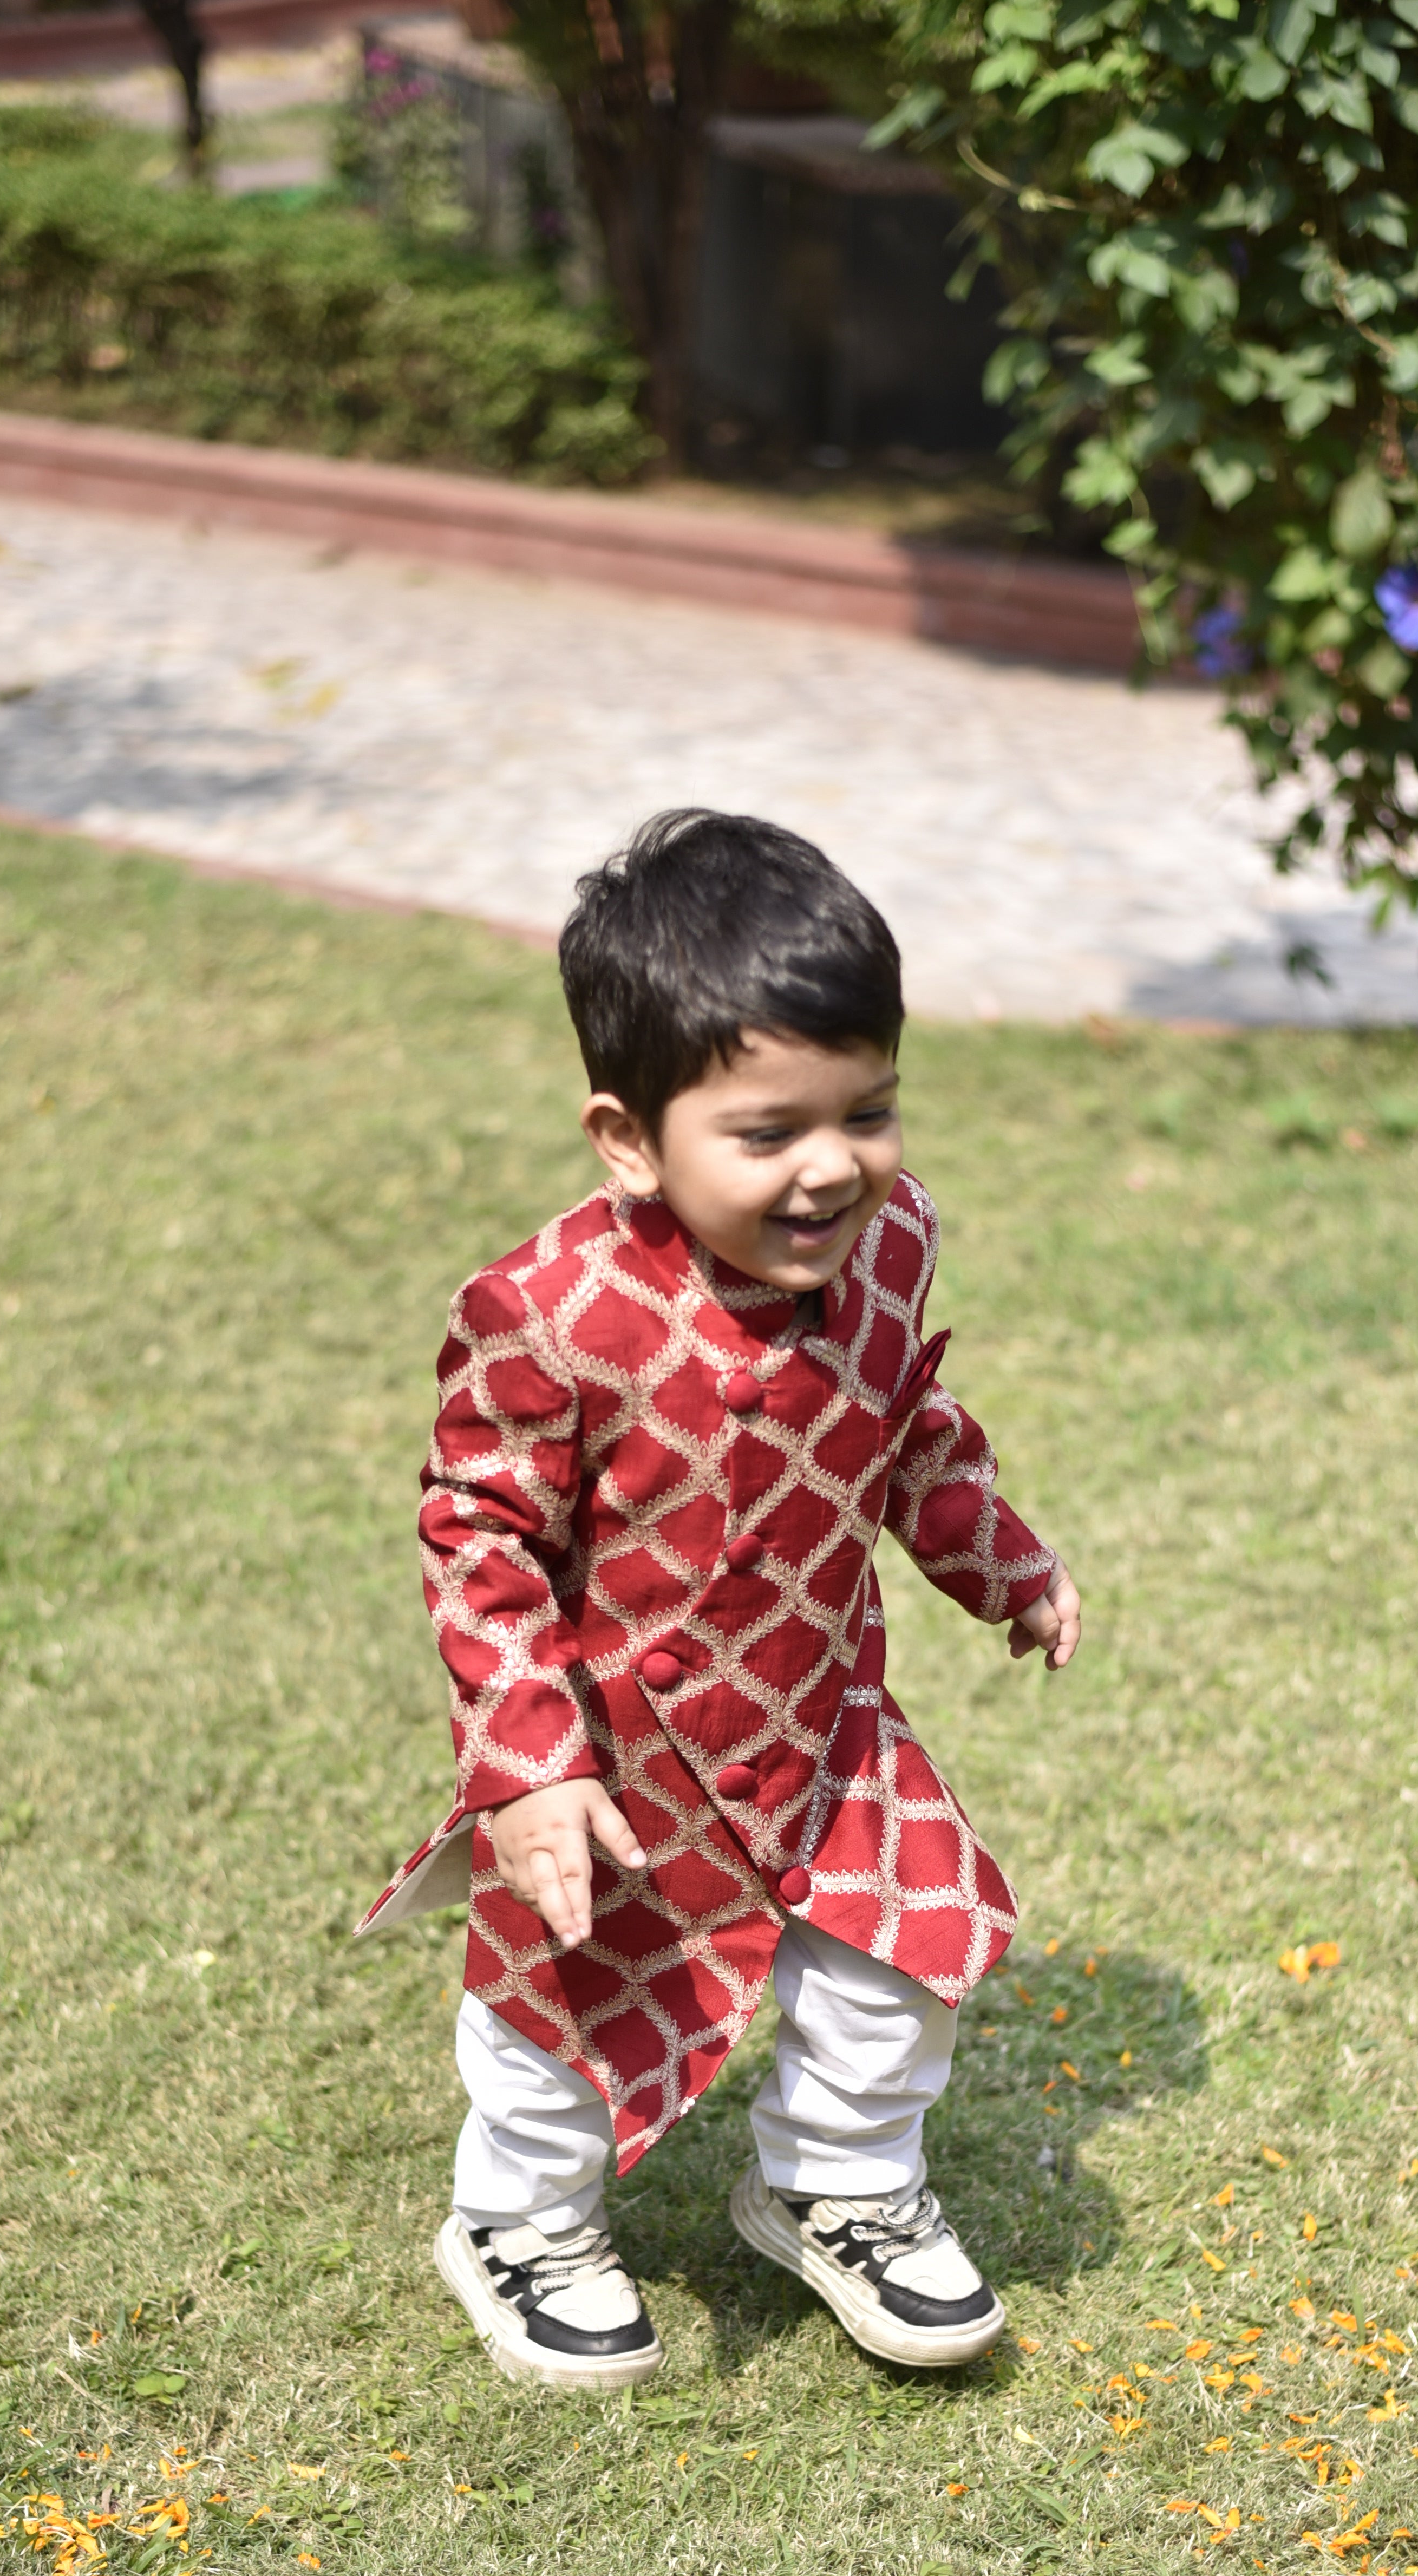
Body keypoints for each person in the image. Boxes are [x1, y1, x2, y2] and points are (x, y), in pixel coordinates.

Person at [359, 810, 1078, 2388]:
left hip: (823, 1720)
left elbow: (904, 1431)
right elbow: (478, 1534)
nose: (833, 1167)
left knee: (900, 1959)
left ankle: (839, 2184)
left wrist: (997, 1555)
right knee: (567, 1997)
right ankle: (520, 2218)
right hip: (625, 1751)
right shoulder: (552, 1316)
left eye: (868, 1110)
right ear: (630, 1138)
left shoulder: (889, 1248)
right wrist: (534, 1766)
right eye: (768, 1134)